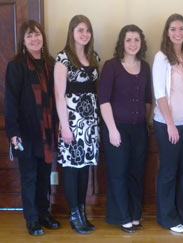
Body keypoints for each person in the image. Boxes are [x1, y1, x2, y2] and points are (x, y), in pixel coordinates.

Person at [5, 20, 60, 236]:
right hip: (25, 132)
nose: (34, 39)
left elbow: (56, 99)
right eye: (29, 36)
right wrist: (13, 133)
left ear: (42, 37)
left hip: (47, 131)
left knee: (45, 176)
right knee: (29, 177)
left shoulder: (51, 63)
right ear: (23, 41)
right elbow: (10, 102)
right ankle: (32, 219)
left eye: (37, 35)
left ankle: (44, 214)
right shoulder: (16, 66)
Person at [99, 24, 152, 233]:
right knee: (118, 173)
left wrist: (144, 122)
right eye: (128, 40)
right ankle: (122, 216)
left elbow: (148, 100)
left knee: (136, 174)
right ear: (122, 42)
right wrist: (112, 130)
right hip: (116, 128)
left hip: (139, 129)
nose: (132, 44)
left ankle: (135, 213)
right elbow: (103, 101)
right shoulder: (111, 66)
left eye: (136, 40)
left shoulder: (145, 67)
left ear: (141, 43)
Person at [152, 13, 183, 233]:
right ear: (167, 33)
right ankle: (167, 217)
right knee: (169, 171)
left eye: (181, 28)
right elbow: (160, 95)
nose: (177, 33)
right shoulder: (162, 57)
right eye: (173, 29)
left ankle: (182, 213)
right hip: (167, 124)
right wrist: (170, 124)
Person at [54, 15, 100, 234]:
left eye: (88, 30)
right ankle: (74, 215)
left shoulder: (94, 57)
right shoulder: (63, 58)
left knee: (84, 170)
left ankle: (82, 212)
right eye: (80, 29)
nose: (84, 34)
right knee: (72, 170)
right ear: (72, 32)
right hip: (71, 122)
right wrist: (65, 125)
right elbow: (59, 95)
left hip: (90, 124)